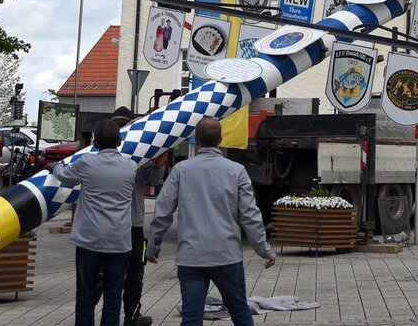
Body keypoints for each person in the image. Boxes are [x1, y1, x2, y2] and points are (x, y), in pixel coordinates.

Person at [147, 117, 276, 326]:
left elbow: (162, 211)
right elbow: (250, 216)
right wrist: (264, 249)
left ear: (196, 141)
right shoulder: (237, 171)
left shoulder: (181, 170)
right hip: (226, 256)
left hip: (191, 257)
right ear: (221, 140)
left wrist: (153, 246)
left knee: (191, 316)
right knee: (240, 312)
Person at [53, 118, 137, 326]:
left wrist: (55, 167)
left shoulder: (86, 163)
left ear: (95, 142)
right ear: (119, 141)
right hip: (119, 241)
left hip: (89, 239)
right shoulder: (131, 166)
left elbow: (64, 176)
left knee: (85, 295)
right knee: (113, 298)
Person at [111, 107, 167, 326]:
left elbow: (152, 180)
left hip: (133, 225)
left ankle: (132, 315)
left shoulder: (139, 154)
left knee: (135, 274)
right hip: (118, 225)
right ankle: (120, 316)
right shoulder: (104, 155)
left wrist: (159, 163)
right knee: (112, 275)